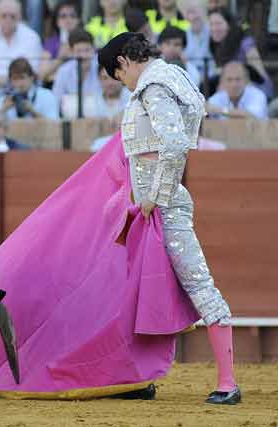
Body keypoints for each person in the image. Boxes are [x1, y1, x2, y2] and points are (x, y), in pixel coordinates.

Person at [98, 32, 239, 404]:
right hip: (147, 209)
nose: (122, 83)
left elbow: (174, 144)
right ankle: (133, 378)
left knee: (198, 283)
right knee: (131, 290)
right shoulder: (167, 78)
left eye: (118, 75)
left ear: (125, 62)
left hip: (163, 209)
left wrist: (155, 198)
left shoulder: (154, 86)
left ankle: (228, 383)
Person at [208, 7, 273, 98]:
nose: (214, 28)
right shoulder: (215, 44)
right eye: (211, 24)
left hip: (256, 90)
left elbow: (260, 75)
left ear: (229, 24)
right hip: (232, 90)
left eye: (218, 24)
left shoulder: (245, 43)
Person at [52, 29, 102, 104]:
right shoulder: (64, 71)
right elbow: (55, 100)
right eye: (79, 51)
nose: (83, 56)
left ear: (94, 50)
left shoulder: (102, 68)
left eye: (87, 50)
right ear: (71, 52)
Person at [61, 67, 130, 120]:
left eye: (114, 78)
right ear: (99, 79)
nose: (110, 83)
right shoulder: (91, 101)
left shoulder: (132, 98)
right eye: (105, 78)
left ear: (122, 78)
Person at [38, 1, 81, 85]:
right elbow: (42, 74)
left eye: (72, 16)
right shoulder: (51, 42)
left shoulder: (84, 40)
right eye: (63, 16)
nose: (68, 20)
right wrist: (61, 58)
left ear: (78, 20)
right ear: (57, 21)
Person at [182, 0, 214, 81]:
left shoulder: (213, 31)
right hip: (190, 79)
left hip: (212, 78)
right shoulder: (183, 34)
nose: (194, 17)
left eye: (197, 11)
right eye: (190, 12)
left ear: (204, 12)